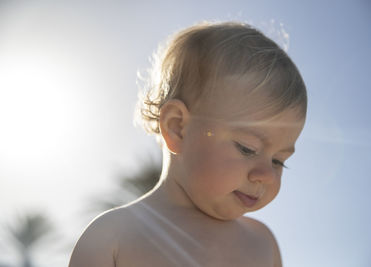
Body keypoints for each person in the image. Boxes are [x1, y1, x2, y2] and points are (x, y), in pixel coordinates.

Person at [69, 21, 307, 267]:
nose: (267, 175)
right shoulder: (112, 237)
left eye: (278, 161)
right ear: (177, 128)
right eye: (247, 148)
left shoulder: (262, 244)